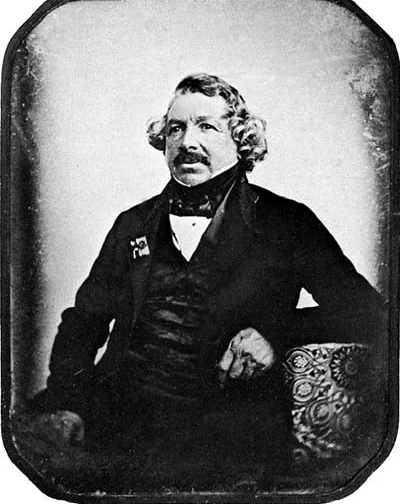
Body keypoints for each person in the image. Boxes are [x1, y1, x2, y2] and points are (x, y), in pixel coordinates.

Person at [31, 73, 384, 482]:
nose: (187, 142)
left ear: (241, 139)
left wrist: (275, 334)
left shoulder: (288, 223)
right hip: (116, 431)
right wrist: (68, 403)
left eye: (206, 127)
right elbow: (83, 322)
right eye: (176, 128)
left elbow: (370, 313)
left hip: (229, 444)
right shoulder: (132, 224)